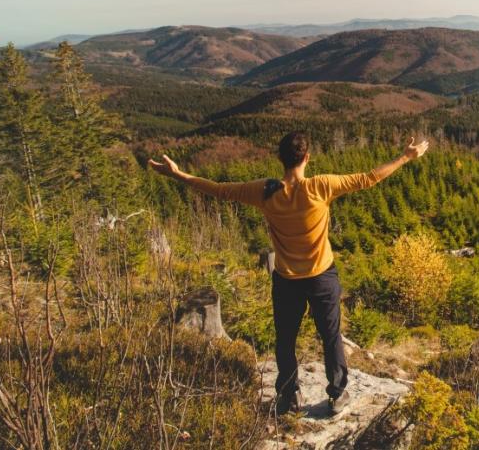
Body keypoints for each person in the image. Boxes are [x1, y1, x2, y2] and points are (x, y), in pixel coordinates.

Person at [148, 132, 429, 416]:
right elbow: (369, 178)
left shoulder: (265, 191)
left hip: (286, 280)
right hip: (322, 276)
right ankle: (336, 394)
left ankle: (288, 396)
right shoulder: (321, 186)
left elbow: (219, 189)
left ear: (279, 158)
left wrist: (178, 174)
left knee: (285, 339)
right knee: (331, 336)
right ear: (307, 158)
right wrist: (405, 157)